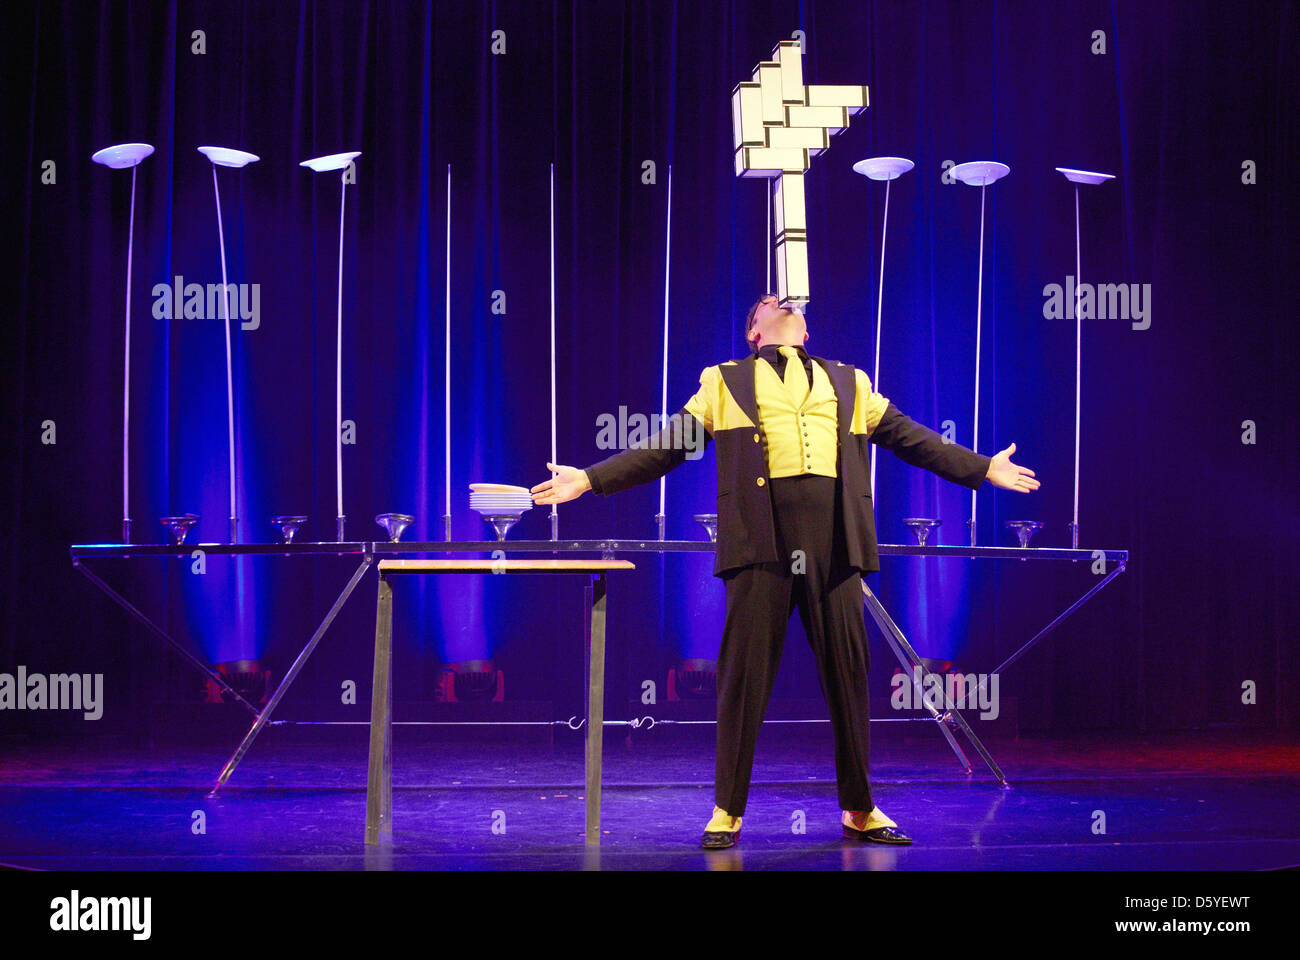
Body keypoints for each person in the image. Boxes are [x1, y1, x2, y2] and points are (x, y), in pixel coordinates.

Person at [531, 294, 1040, 848]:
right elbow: (665, 448)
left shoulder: (850, 381)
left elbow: (912, 437)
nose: (781, 302)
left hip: (834, 542)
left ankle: (860, 808)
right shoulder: (724, 381)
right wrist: (589, 479)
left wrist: (983, 467)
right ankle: (727, 809)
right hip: (761, 542)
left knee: (848, 675)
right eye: (767, 303)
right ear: (754, 332)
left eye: (788, 301)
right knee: (743, 678)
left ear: (804, 327)